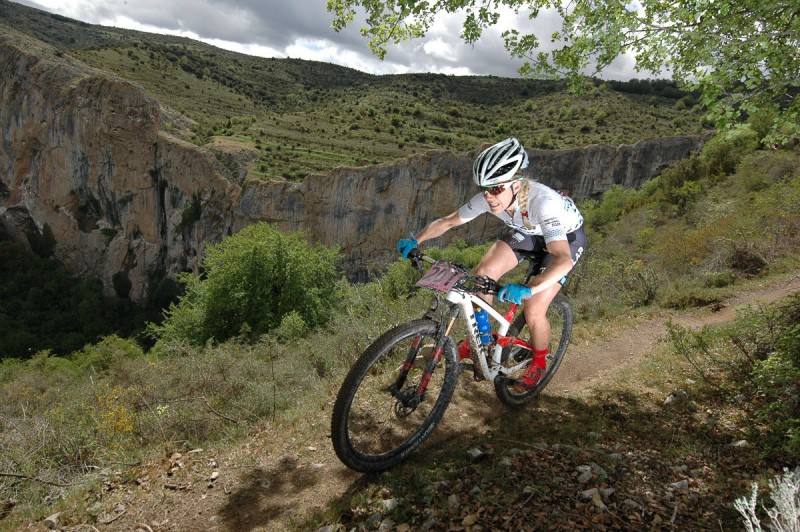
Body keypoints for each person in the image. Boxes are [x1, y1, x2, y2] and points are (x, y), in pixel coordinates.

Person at [396, 137, 586, 390]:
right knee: (483, 273)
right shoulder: (489, 199)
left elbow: (562, 259)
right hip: (529, 231)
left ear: (516, 185)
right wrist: (416, 240)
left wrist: (530, 288)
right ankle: (482, 342)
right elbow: (448, 221)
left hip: (565, 240)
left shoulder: (544, 203)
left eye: (496, 189)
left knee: (533, 307)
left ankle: (539, 361)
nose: (489, 196)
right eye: (485, 188)